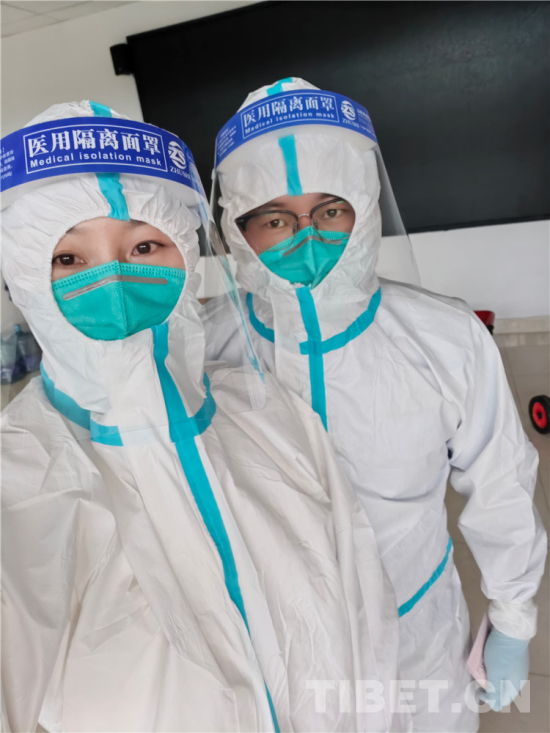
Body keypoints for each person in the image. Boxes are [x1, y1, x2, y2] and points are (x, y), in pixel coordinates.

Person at [1, 102, 405, 732]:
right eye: (69, 259)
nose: (114, 282)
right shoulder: (21, 479)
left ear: (188, 255)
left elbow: (361, 599)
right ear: (23, 279)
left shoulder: (264, 411)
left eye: (144, 245)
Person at [206, 78, 548, 731]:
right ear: (237, 229)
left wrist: (512, 616)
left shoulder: (443, 337)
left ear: (364, 209)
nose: (306, 238)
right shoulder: (206, 348)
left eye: (330, 210)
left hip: (417, 631)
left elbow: (502, 481)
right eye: (275, 219)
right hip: (275, 646)